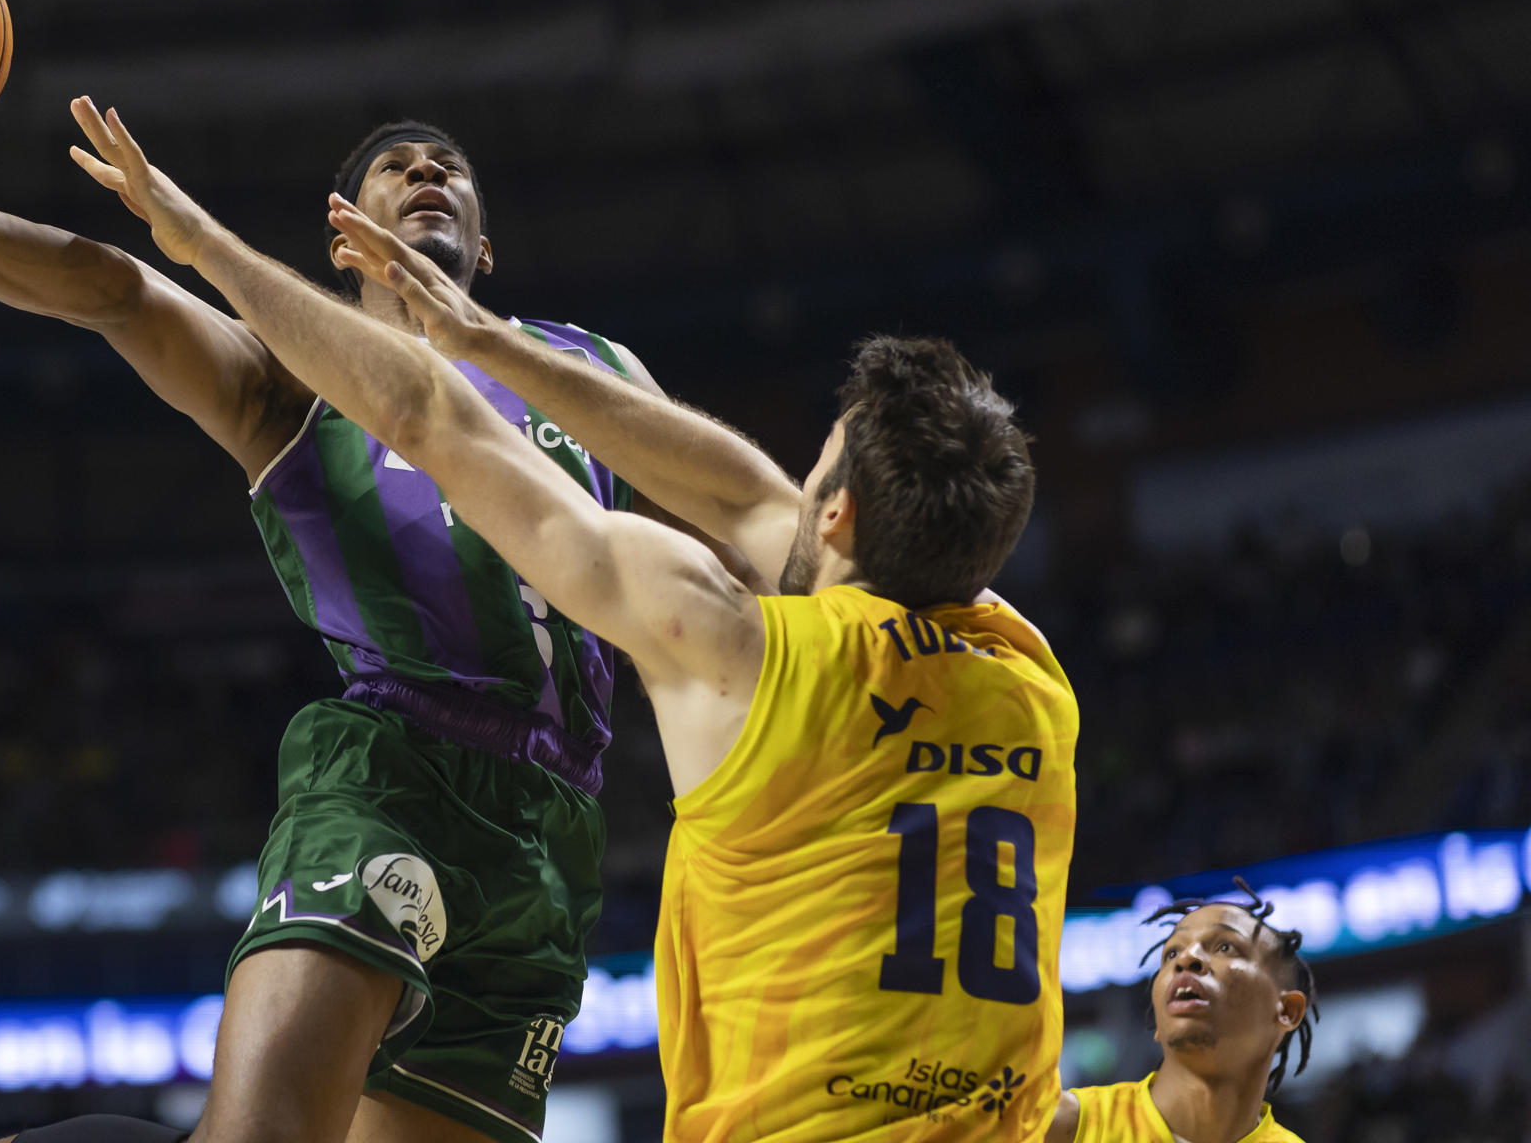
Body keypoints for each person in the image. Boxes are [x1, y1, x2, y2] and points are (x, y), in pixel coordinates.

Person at [0, 24, 751, 1143]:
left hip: (555, 835)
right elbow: (113, 290)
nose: (427, 170)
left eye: (447, 165)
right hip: (395, 775)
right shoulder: (291, 386)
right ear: (343, 236)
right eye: (395, 165)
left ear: (488, 244)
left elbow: (736, 547)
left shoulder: (596, 371)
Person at [69, 98, 1080, 1142]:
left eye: (816, 465)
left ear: (838, 512)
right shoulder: (1035, 680)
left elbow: (430, 418)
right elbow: (764, 503)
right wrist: (497, 339)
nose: (790, 480)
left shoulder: (737, 648)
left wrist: (204, 246)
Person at [1045, 882, 1317, 1143]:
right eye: (1172, 953)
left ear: (1287, 1011)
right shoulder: (1061, 1127)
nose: (1187, 958)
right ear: (1159, 1024)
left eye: (1225, 947)